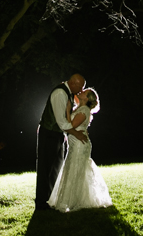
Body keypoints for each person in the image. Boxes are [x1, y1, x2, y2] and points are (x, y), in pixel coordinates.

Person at [47, 87, 112, 212]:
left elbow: (71, 125)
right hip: (75, 143)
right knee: (73, 168)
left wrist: (67, 111)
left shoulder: (84, 109)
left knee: (75, 168)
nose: (81, 92)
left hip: (79, 143)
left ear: (86, 98)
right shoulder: (80, 107)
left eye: (84, 92)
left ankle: (72, 200)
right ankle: (72, 199)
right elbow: (74, 94)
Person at [35, 74, 87, 210]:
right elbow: (62, 122)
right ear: (73, 83)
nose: (81, 90)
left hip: (57, 134)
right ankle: (41, 202)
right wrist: (77, 134)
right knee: (45, 168)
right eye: (81, 87)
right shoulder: (60, 93)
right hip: (49, 133)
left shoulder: (69, 93)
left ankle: (52, 200)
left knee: (56, 168)